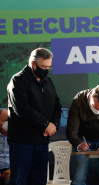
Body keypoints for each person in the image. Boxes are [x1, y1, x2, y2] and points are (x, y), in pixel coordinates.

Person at [7, 48, 62, 185]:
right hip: (22, 141)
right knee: (19, 180)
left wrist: (53, 124)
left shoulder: (48, 82)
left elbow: (57, 106)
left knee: (39, 180)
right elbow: (23, 109)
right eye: (43, 67)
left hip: (42, 141)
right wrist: (45, 124)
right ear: (33, 63)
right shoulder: (18, 80)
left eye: (49, 67)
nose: (46, 70)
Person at [0, 109, 10, 185]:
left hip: (12, 171)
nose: (8, 123)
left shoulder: (18, 137)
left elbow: (23, 157)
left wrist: (12, 170)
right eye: (6, 120)